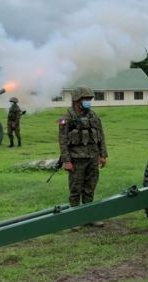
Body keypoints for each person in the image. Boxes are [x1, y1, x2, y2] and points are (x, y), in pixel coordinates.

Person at [58, 86, 107, 228]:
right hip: (76, 159)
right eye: (85, 99)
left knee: (90, 188)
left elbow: (101, 136)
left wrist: (103, 155)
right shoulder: (66, 118)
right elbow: (62, 141)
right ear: (77, 100)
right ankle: (75, 219)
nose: (88, 101)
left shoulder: (93, 116)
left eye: (89, 99)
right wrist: (66, 161)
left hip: (92, 157)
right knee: (75, 190)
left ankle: (89, 216)